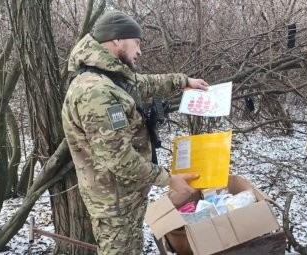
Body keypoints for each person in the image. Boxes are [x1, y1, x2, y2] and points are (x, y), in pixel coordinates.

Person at [61, 10, 209, 255]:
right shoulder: (97, 92)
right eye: (137, 43)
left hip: (124, 196)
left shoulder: (109, 77)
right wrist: (168, 179)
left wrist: (184, 81)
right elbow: (119, 160)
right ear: (117, 40)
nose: (139, 51)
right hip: (114, 203)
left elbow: (143, 83)